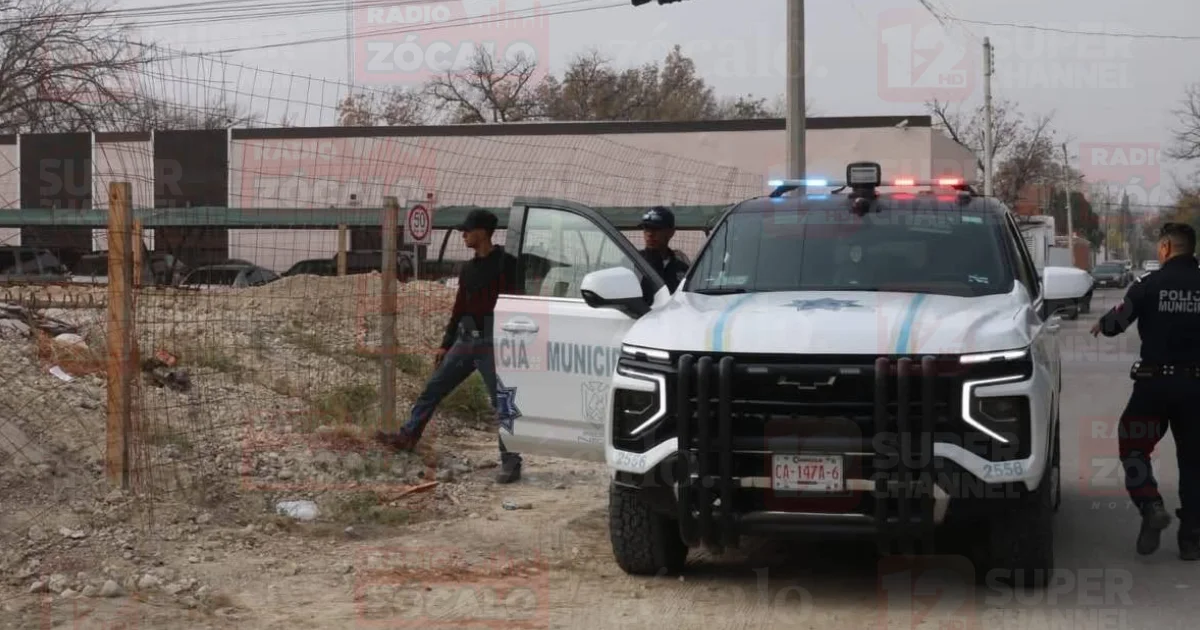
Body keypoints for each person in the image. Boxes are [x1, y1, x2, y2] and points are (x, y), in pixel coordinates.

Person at [375, 209, 524, 484]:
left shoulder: (508, 264)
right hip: (466, 342)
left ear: (483, 232)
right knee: (433, 389)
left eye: (467, 230)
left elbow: (519, 302)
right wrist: (446, 344)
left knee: (502, 402)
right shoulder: (467, 269)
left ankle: (511, 461)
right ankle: (408, 436)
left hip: (495, 343)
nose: (463, 235)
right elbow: (458, 308)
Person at [1091, 222, 1200, 559]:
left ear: (1166, 247)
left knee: (1134, 448)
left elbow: (1114, 325)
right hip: (1196, 389)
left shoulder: (1148, 285)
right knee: (1195, 462)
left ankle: (1151, 504)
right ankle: (1192, 537)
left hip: (1153, 387)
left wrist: (1103, 323)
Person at [638, 206, 690, 292]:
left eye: (656, 228)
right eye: (646, 228)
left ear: (671, 232)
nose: (650, 234)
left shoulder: (682, 269)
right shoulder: (633, 263)